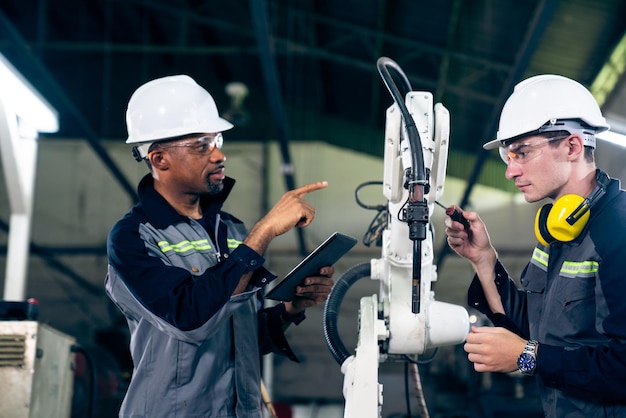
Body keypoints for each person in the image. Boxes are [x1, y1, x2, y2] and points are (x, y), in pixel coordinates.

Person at [105, 74, 335, 418]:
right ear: (159, 159)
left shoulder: (231, 230)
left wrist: (290, 309)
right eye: (202, 145)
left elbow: (241, 336)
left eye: (217, 140)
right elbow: (189, 319)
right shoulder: (135, 237)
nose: (219, 154)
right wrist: (263, 232)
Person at [445, 74, 626, 417]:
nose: (510, 172)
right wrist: (483, 259)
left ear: (572, 147)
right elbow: (536, 330)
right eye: (507, 156)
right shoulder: (559, 231)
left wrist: (528, 356)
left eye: (523, 153)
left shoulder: (618, 230)